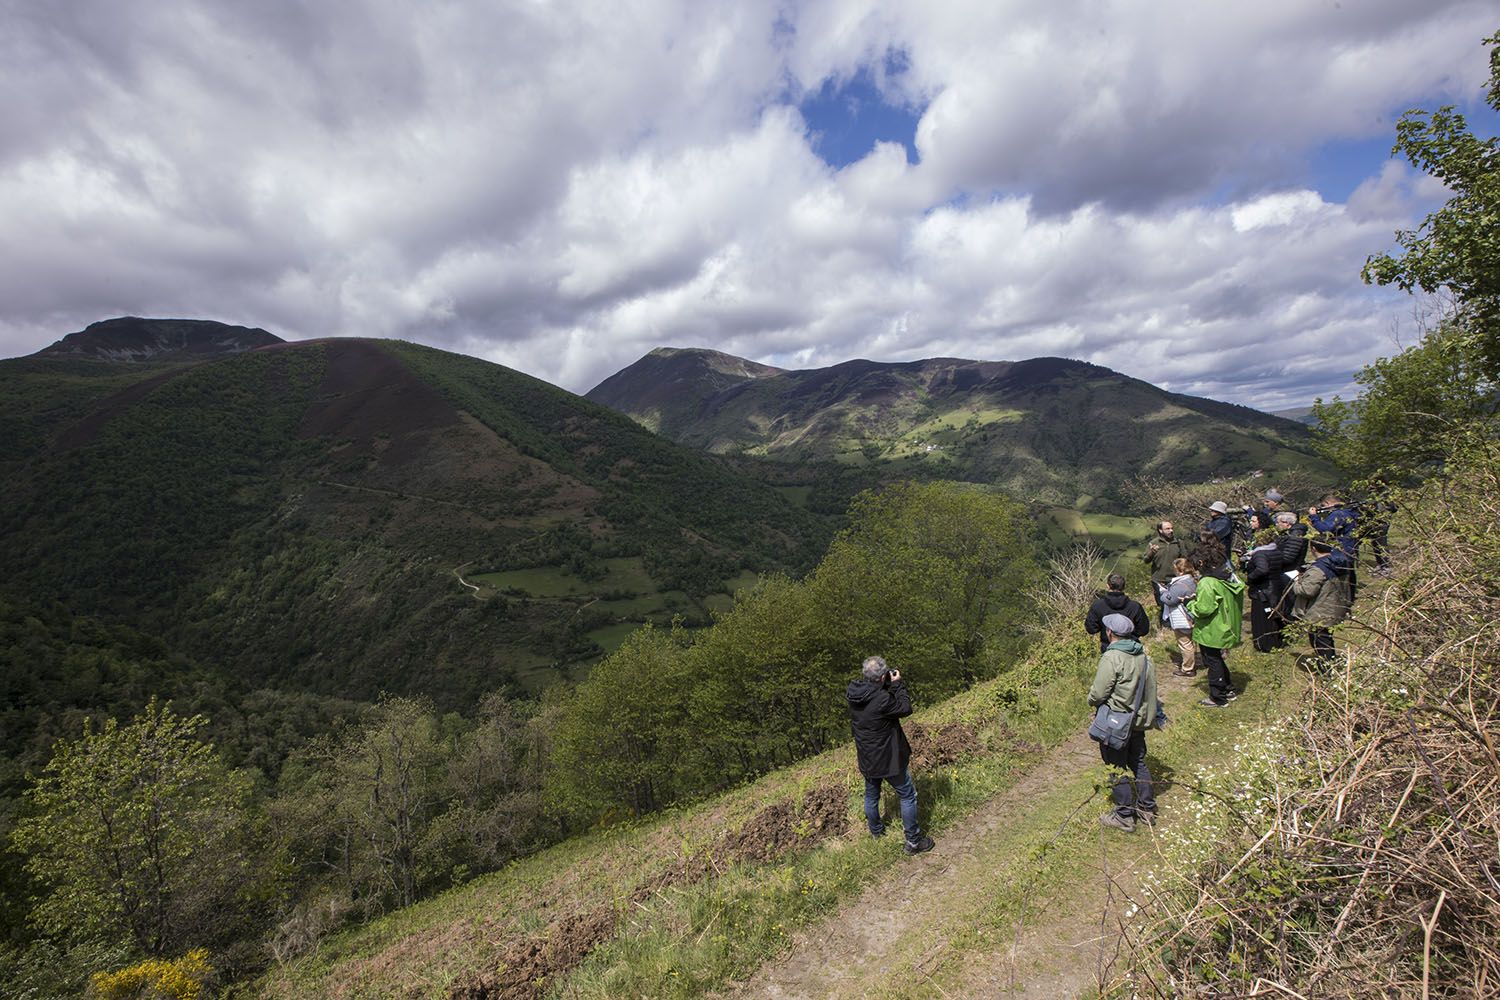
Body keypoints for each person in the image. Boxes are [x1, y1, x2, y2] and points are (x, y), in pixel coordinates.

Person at [847, 656, 934, 855]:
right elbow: (905, 708)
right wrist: (897, 685)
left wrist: (884, 683)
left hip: (867, 757)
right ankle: (913, 842)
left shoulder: (855, 695)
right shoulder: (882, 698)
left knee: (871, 795)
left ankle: (876, 832)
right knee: (907, 794)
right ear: (882, 677)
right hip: (888, 757)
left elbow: (874, 699)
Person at [1088, 613, 1159, 832]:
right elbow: (1151, 690)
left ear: (1110, 633)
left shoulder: (1112, 657)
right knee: (1138, 761)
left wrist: (1091, 700)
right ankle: (1147, 808)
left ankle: (1124, 815)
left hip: (1116, 722)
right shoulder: (1144, 656)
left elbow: (1099, 692)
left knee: (1115, 764)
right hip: (1137, 719)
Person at [1188, 546, 1245, 707]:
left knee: (1212, 661)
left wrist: (1190, 603)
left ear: (1200, 562)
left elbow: (1204, 609)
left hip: (1212, 629)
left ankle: (1218, 697)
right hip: (1225, 625)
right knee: (1218, 659)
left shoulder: (1207, 582)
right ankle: (1228, 688)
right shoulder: (1226, 576)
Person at [1290, 537, 1354, 663]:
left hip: (1319, 610)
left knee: (1320, 642)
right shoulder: (1342, 563)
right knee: (1326, 639)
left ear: (1313, 549)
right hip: (1336, 606)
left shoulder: (1318, 568)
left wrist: (1296, 582)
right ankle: (1331, 664)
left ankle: (1327, 671)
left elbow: (1307, 591)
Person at [1140, 521, 1192, 631]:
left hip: (1175, 580)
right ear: (1160, 530)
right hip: (1159, 580)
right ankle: (1164, 627)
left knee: (1177, 603)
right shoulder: (1154, 543)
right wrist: (1152, 553)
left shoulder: (1178, 543)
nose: (1171, 531)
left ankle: (1178, 626)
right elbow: (1145, 560)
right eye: (1167, 529)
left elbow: (1185, 559)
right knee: (1162, 604)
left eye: (1171, 528)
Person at [1084, 573, 1152, 653]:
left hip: (1108, 648)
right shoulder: (1135, 606)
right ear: (1123, 587)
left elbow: (1091, 629)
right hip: (1131, 648)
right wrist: (1131, 635)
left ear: (1108, 586)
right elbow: (1143, 630)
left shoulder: (1098, 605)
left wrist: (1104, 629)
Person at [1243, 527, 1285, 652]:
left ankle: (1263, 644)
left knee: (1260, 618)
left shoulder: (1260, 554)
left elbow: (1262, 569)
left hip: (1262, 589)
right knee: (1272, 616)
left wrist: (1250, 577)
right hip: (1275, 587)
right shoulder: (1276, 551)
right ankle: (1276, 642)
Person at [1160, 557, 1197, 676]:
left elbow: (1170, 600)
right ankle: (1194, 662)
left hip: (1182, 618)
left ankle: (1188, 668)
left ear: (1181, 571)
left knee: (1185, 643)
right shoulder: (1193, 580)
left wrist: (1163, 593)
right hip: (1191, 615)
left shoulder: (1179, 585)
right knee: (1191, 641)